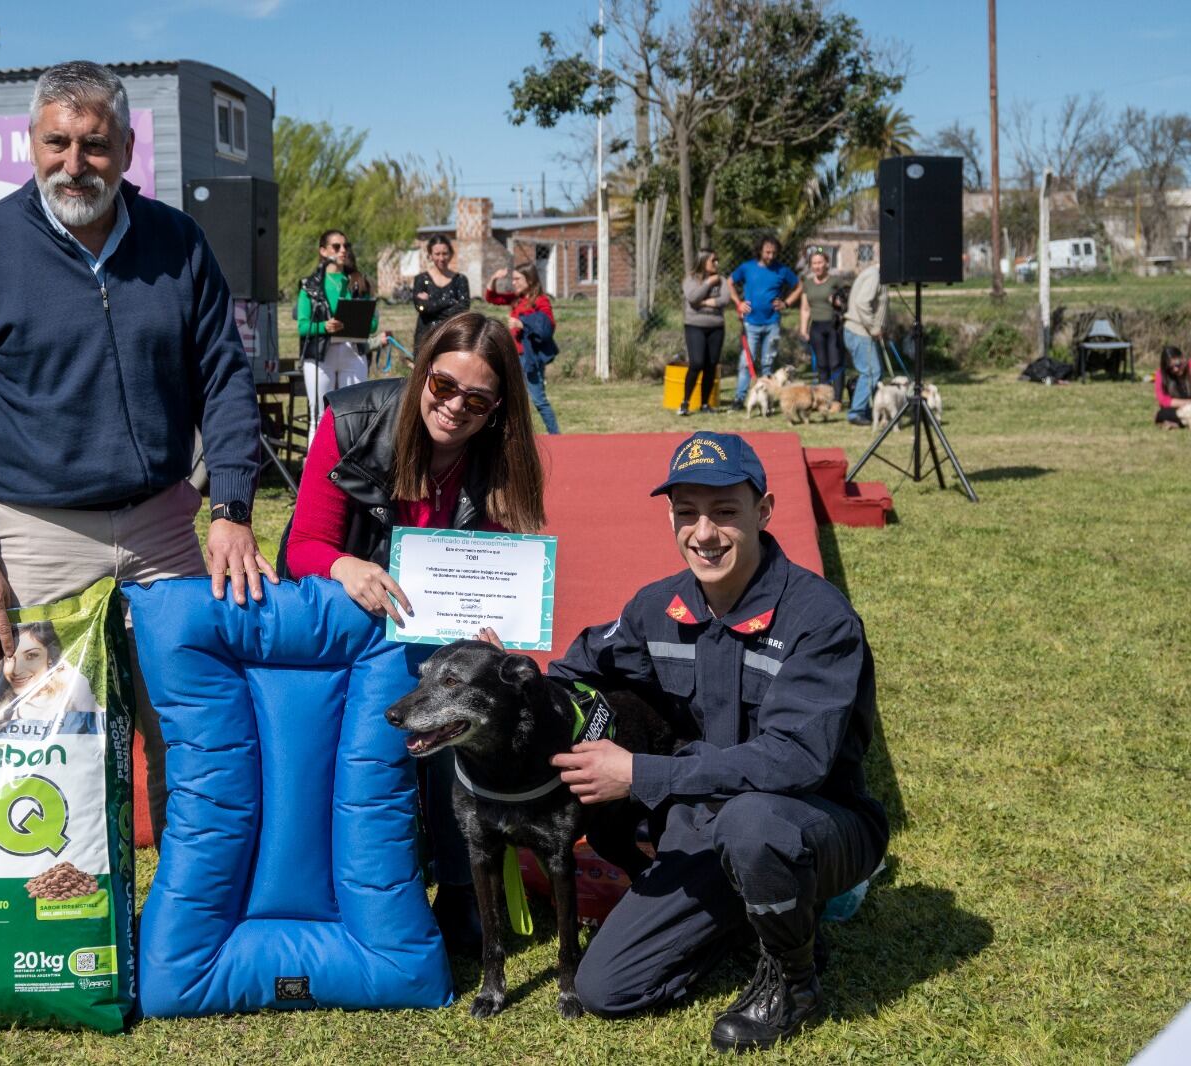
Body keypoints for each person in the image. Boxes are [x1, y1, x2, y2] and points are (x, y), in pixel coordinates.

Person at [0, 60, 274, 843]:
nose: (75, 165)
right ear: (31, 143)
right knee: (32, 747)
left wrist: (232, 509)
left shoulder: (178, 243)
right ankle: (55, 941)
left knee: (193, 737)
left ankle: (192, 922)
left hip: (164, 530)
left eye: (96, 146)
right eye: (58, 143)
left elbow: (226, 382)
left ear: (129, 148)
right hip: (34, 536)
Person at [543, 431, 888, 1053]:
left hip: (816, 820)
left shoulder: (820, 619)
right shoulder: (659, 607)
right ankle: (757, 915)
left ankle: (793, 981)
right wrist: (509, 681)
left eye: (725, 511)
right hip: (701, 828)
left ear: (764, 510)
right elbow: (575, 673)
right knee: (606, 988)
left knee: (753, 824)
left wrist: (643, 775)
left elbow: (794, 759)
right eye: (687, 512)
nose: (704, 533)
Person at [276, 310, 546, 954]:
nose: (455, 408)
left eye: (477, 400)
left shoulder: (503, 460)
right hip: (345, 614)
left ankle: (462, 889)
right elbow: (304, 545)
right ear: (422, 371)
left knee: (468, 706)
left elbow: (502, 563)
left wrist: (495, 626)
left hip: (430, 625)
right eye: (444, 386)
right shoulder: (349, 420)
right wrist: (347, 565)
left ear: (498, 409)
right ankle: (353, 883)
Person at [297, 230, 387, 444]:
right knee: (319, 416)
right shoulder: (309, 285)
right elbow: (302, 326)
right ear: (323, 251)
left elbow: (372, 324)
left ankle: (351, 470)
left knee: (355, 414)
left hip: (352, 352)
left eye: (345, 246)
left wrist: (358, 323)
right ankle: (315, 473)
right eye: (336, 247)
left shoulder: (357, 282)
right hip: (320, 355)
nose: (343, 250)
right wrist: (324, 326)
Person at [725, 237, 802, 410]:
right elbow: (729, 282)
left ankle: (767, 400)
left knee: (768, 362)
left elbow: (799, 286)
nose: (771, 256)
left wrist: (786, 303)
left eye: (774, 252)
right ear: (760, 251)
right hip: (750, 323)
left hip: (772, 323)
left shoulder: (782, 270)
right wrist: (738, 303)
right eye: (767, 252)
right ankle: (739, 398)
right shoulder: (747, 267)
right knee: (746, 362)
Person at [484, 261, 560, 434]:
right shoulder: (516, 299)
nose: (513, 283)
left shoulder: (541, 301)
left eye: (518, 279)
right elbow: (492, 298)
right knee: (511, 397)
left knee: (538, 399)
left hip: (529, 357)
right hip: (513, 355)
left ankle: (556, 436)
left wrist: (522, 323)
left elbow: (547, 327)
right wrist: (494, 278)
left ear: (530, 280)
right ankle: (513, 434)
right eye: (513, 279)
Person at [680, 250, 729, 416]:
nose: (716, 263)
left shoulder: (721, 280)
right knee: (697, 363)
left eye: (717, 260)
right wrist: (708, 284)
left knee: (711, 364)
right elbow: (693, 297)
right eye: (713, 260)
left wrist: (705, 302)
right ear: (702, 262)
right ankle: (685, 402)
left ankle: (705, 403)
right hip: (695, 325)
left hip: (716, 326)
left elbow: (725, 300)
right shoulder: (690, 280)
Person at [842, 262, 888, 424]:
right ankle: (857, 412)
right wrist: (874, 327)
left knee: (876, 372)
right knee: (870, 372)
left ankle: (869, 409)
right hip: (860, 331)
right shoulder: (874, 276)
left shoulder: (876, 275)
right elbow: (862, 303)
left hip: (863, 331)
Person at [411, 235, 472, 353]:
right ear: (430, 255)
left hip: (452, 337)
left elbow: (463, 308)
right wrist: (450, 301)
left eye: (445, 253)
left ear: (451, 254)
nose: (441, 258)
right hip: (425, 338)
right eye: (437, 254)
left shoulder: (460, 280)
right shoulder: (421, 279)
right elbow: (421, 308)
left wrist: (431, 304)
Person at [798, 251, 843, 394]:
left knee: (835, 363)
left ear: (827, 264)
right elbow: (805, 308)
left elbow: (845, 303)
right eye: (814, 263)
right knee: (822, 364)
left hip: (833, 326)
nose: (817, 266)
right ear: (811, 266)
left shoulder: (835, 281)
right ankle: (824, 398)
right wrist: (804, 330)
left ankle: (836, 399)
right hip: (816, 327)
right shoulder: (808, 284)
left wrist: (837, 302)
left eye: (820, 262)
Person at [1153, 345, 1190, 429]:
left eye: (1177, 364)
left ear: (1183, 357)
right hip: (1176, 408)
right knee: (1161, 414)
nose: (1175, 369)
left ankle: (1178, 423)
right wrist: (1188, 403)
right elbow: (1164, 400)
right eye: (1170, 368)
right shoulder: (1160, 375)